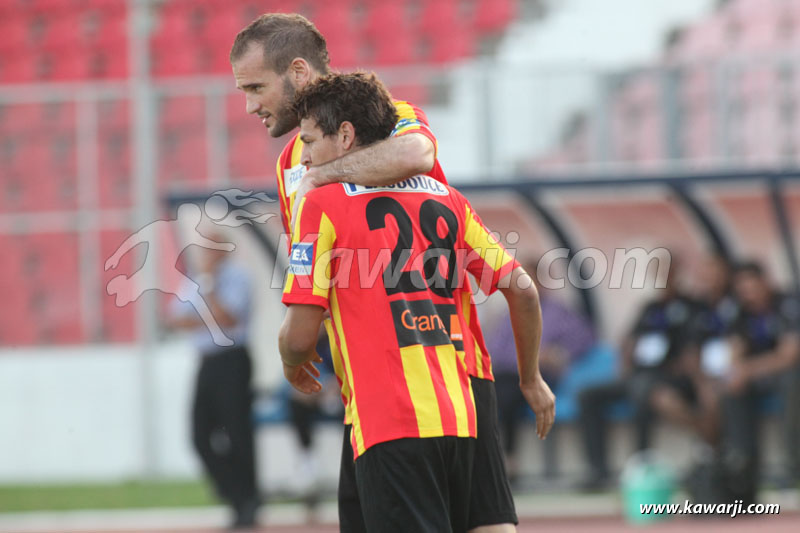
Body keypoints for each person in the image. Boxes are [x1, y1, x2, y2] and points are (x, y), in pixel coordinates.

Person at [230, 13, 524, 532]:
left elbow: (416, 151)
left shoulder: (392, 118)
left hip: (448, 367)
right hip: (368, 386)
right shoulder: (285, 165)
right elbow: (322, 272)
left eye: (256, 87)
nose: (251, 104)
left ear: (298, 71)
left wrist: (321, 175)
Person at [277, 71, 554, 532]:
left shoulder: (322, 203)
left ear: (345, 135)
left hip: (388, 420)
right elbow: (522, 289)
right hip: (462, 414)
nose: (304, 156)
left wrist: (291, 359)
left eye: (308, 141)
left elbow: (302, 330)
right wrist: (531, 377)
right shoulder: (447, 197)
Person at [167, 232, 259, 529]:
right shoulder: (195, 279)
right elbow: (176, 320)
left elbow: (229, 318)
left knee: (237, 432)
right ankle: (233, 492)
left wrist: (208, 289)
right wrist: (208, 314)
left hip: (233, 361)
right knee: (199, 434)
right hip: (207, 363)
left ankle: (248, 500)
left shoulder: (238, 278)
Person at [577, 263, 696, 490]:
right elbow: (629, 339)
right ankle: (597, 470)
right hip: (640, 374)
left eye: (668, 274)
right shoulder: (650, 308)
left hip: (669, 376)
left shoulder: (690, 307)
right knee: (588, 395)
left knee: (644, 392)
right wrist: (626, 358)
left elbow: (694, 349)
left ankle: (640, 468)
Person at [487, 256, 595, 481]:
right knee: (488, 393)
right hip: (509, 374)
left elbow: (585, 336)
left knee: (505, 394)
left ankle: (508, 459)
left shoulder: (556, 312)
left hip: (540, 376)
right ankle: (499, 460)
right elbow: (496, 351)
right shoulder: (510, 313)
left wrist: (558, 354)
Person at [718, 261, 800, 504]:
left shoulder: (787, 304)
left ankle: (793, 464)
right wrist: (735, 373)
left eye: (751, 288)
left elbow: (789, 356)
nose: (748, 295)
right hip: (760, 374)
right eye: (742, 290)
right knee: (732, 390)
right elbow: (734, 352)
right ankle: (745, 468)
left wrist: (748, 369)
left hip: (787, 372)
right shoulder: (739, 312)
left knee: (791, 383)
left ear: (765, 282)